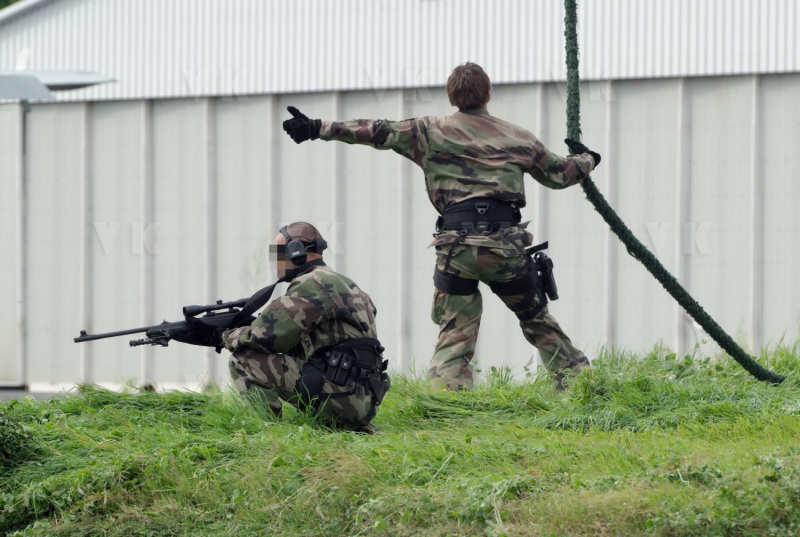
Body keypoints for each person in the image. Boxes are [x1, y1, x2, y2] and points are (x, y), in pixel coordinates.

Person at [282, 63, 601, 391]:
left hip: (456, 249)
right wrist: (588, 158)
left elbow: (376, 130)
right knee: (535, 317)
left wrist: (315, 127)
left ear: (452, 97)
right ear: (488, 94)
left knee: (455, 331)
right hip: (503, 249)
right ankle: (579, 385)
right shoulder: (518, 137)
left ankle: (448, 401)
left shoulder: (428, 131)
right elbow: (561, 175)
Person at [220, 222, 390, 431]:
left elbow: (267, 336)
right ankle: (346, 424)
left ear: (296, 252)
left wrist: (227, 336)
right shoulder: (348, 284)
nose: (275, 261)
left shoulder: (311, 283)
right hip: (363, 400)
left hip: (341, 396)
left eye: (279, 252)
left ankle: (265, 434)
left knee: (244, 360)